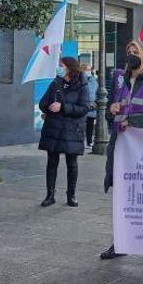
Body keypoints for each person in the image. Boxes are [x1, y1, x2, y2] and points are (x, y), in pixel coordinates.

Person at [100, 41, 143, 263]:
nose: (131, 55)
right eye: (128, 52)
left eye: (135, 52)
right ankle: (121, 242)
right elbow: (114, 113)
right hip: (121, 148)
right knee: (123, 198)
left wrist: (133, 121)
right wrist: (112, 112)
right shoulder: (122, 81)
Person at [39, 57, 90, 208]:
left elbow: (84, 108)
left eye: (61, 66)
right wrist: (49, 107)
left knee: (71, 163)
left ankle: (71, 195)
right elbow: (43, 102)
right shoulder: (56, 83)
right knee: (52, 162)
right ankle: (50, 195)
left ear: (69, 68)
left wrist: (63, 107)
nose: (59, 68)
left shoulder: (82, 85)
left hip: (72, 130)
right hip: (54, 128)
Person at [82, 64, 98, 147]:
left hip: (92, 107)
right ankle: (80, 141)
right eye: (86, 70)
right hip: (83, 106)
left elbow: (97, 91)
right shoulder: (80, 79)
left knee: (90, 126)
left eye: (89, 69)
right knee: (80, 125)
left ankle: (89, 142)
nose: (88, 71)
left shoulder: (93, 80)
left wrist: (96, 102)